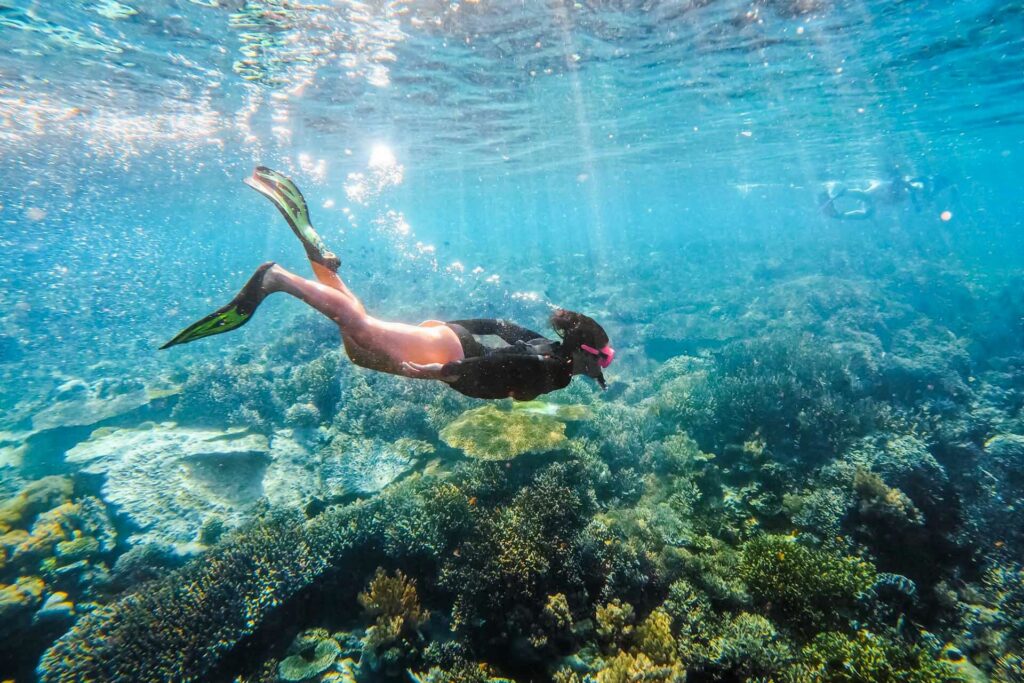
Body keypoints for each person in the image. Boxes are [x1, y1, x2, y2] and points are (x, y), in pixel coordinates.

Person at [160, 167, 615, 401]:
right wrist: (447, 369)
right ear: (581, 353)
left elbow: (499, 325)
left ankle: (320, 258)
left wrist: (448, 329)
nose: (603, 370)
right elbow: (509, 368)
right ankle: (276, 279)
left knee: (359, 350)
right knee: (359, 329)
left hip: (452, 343)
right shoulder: (555, 373)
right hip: (452, 356)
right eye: (602, 362)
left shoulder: (551, 351)